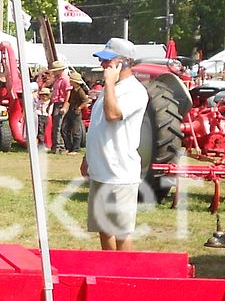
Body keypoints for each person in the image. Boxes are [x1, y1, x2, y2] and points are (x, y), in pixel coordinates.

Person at [83, 37, 149, 250]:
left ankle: (124, 277)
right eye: (103, 61)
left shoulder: (135, 91)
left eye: (108, 61)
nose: (103, 65)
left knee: (121, 231)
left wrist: (109, 83)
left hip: (119, 174)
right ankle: (109, 270)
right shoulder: (109, 89)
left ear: (125, 63)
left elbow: (112, 115)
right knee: (104, 227)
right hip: (101, 171)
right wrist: (87, 158)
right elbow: (98, 125)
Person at [61, 69, 91, 154]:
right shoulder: (73, 90)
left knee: (76, 131)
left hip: (75, 112)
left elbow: (86, 100)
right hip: (70, 111)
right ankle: (69, 147)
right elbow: (69, 101)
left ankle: (76, 149)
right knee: (64, 129)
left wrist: (79, 108)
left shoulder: (80, 91)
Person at [47, 62, 71, 153]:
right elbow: (54, 93)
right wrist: (50, 104)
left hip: (61, 103)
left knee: (58, 126)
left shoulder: (65, 79)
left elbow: (67, 93)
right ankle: (57, 146)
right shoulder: (57, 79)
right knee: (55, 126)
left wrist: (65, 105)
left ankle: (58, 147)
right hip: (56, 103)